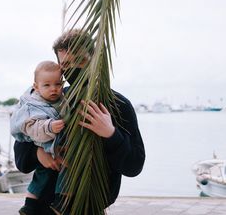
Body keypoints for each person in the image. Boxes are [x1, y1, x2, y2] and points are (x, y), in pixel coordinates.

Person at [14, 29, 145, 214]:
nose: (74, 68)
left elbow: (134, 166)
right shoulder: (50, 102)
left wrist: (111, 133)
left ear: (94, 59)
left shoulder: (118, 105)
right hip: (41, 209)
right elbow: (21, 161)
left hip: (90, 208)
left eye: (81, 60)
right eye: (66, 64)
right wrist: (38, 153)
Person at [10, 61, 65, 215]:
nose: (53, 89)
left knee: (60, 170)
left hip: (55, 147)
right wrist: (39, 150)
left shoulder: (64, 99)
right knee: (44, 173)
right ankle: (30, 203)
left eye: (58, 84)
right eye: (47, 85)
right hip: (45, 142)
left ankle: (59, 200)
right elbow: (29, 129)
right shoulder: (33, 105)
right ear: (36, 87)